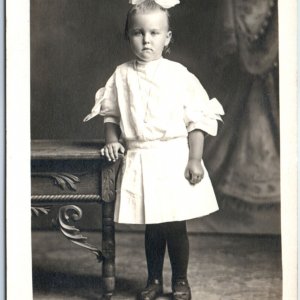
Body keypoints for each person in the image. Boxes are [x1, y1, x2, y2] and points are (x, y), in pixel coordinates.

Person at [84, 0, 224, 299]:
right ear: (128, 35)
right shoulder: (121, 75)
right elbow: (111, 114)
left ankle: (181, 281)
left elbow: (197, 120)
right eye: (138, 32)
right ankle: (154, 280)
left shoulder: (179, 75)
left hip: (173, 157)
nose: (147, 39)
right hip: (141, 157)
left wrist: (195, 159)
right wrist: (112, 139)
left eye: (154, 33)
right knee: (153, 227)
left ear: (167, 38)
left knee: (175, 225)